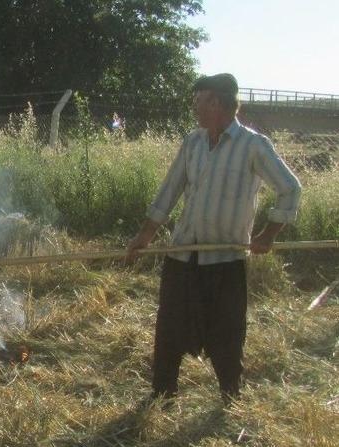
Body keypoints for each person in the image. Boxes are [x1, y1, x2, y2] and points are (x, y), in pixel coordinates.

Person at [126, 73, 302, 403]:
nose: (194, 109)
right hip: (183, 253)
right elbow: (170, 190)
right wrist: (145, 235)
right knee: (169, 329)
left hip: (225, 259)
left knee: (227, 333)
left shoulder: (253, 146)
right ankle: (163, 395)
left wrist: (268, 234)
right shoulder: (193, 142)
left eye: (198, 102)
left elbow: (290, 189)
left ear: (216, 103)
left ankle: (229, 397)